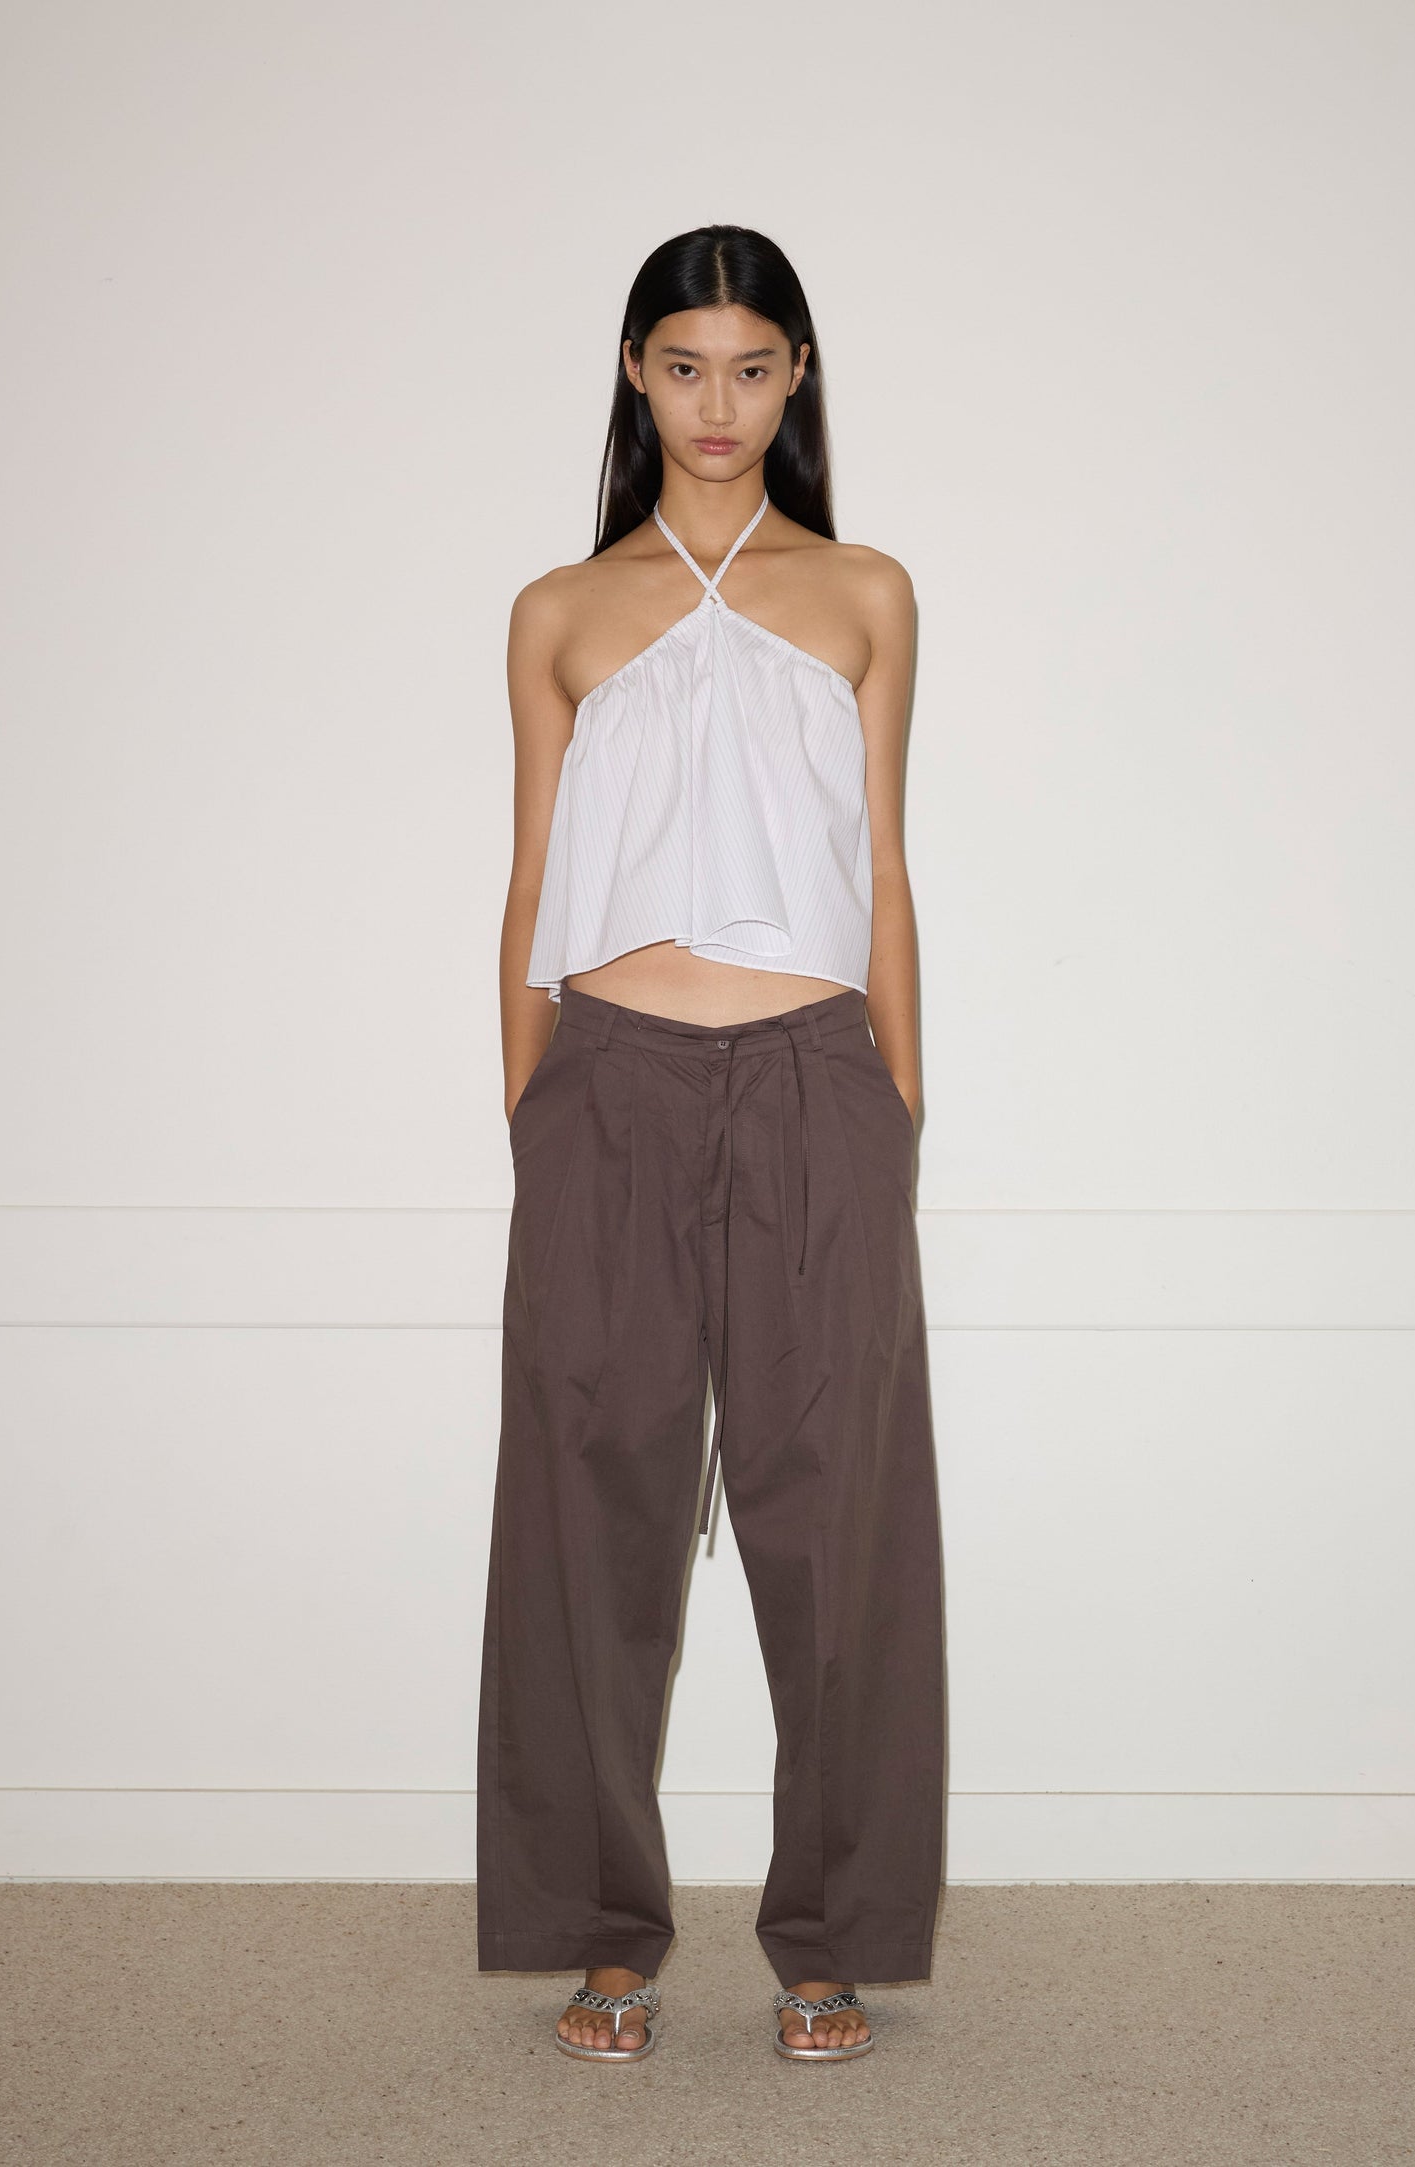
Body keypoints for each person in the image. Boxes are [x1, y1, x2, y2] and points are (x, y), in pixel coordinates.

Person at [477, 223, 945, 2065]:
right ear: (632, 374)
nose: (719, 403)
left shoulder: (865, 595)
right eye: (685, 366)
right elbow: (526, 876)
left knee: (834, 1526)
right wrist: (531, 1112)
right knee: (588, 1516)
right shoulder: (559, 613)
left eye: (753, 367)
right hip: (603, 1082)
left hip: (817, 1082)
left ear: (795, 380)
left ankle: (827, 1933)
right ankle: (605, 1930)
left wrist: (896, 1106)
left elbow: (884, 870)